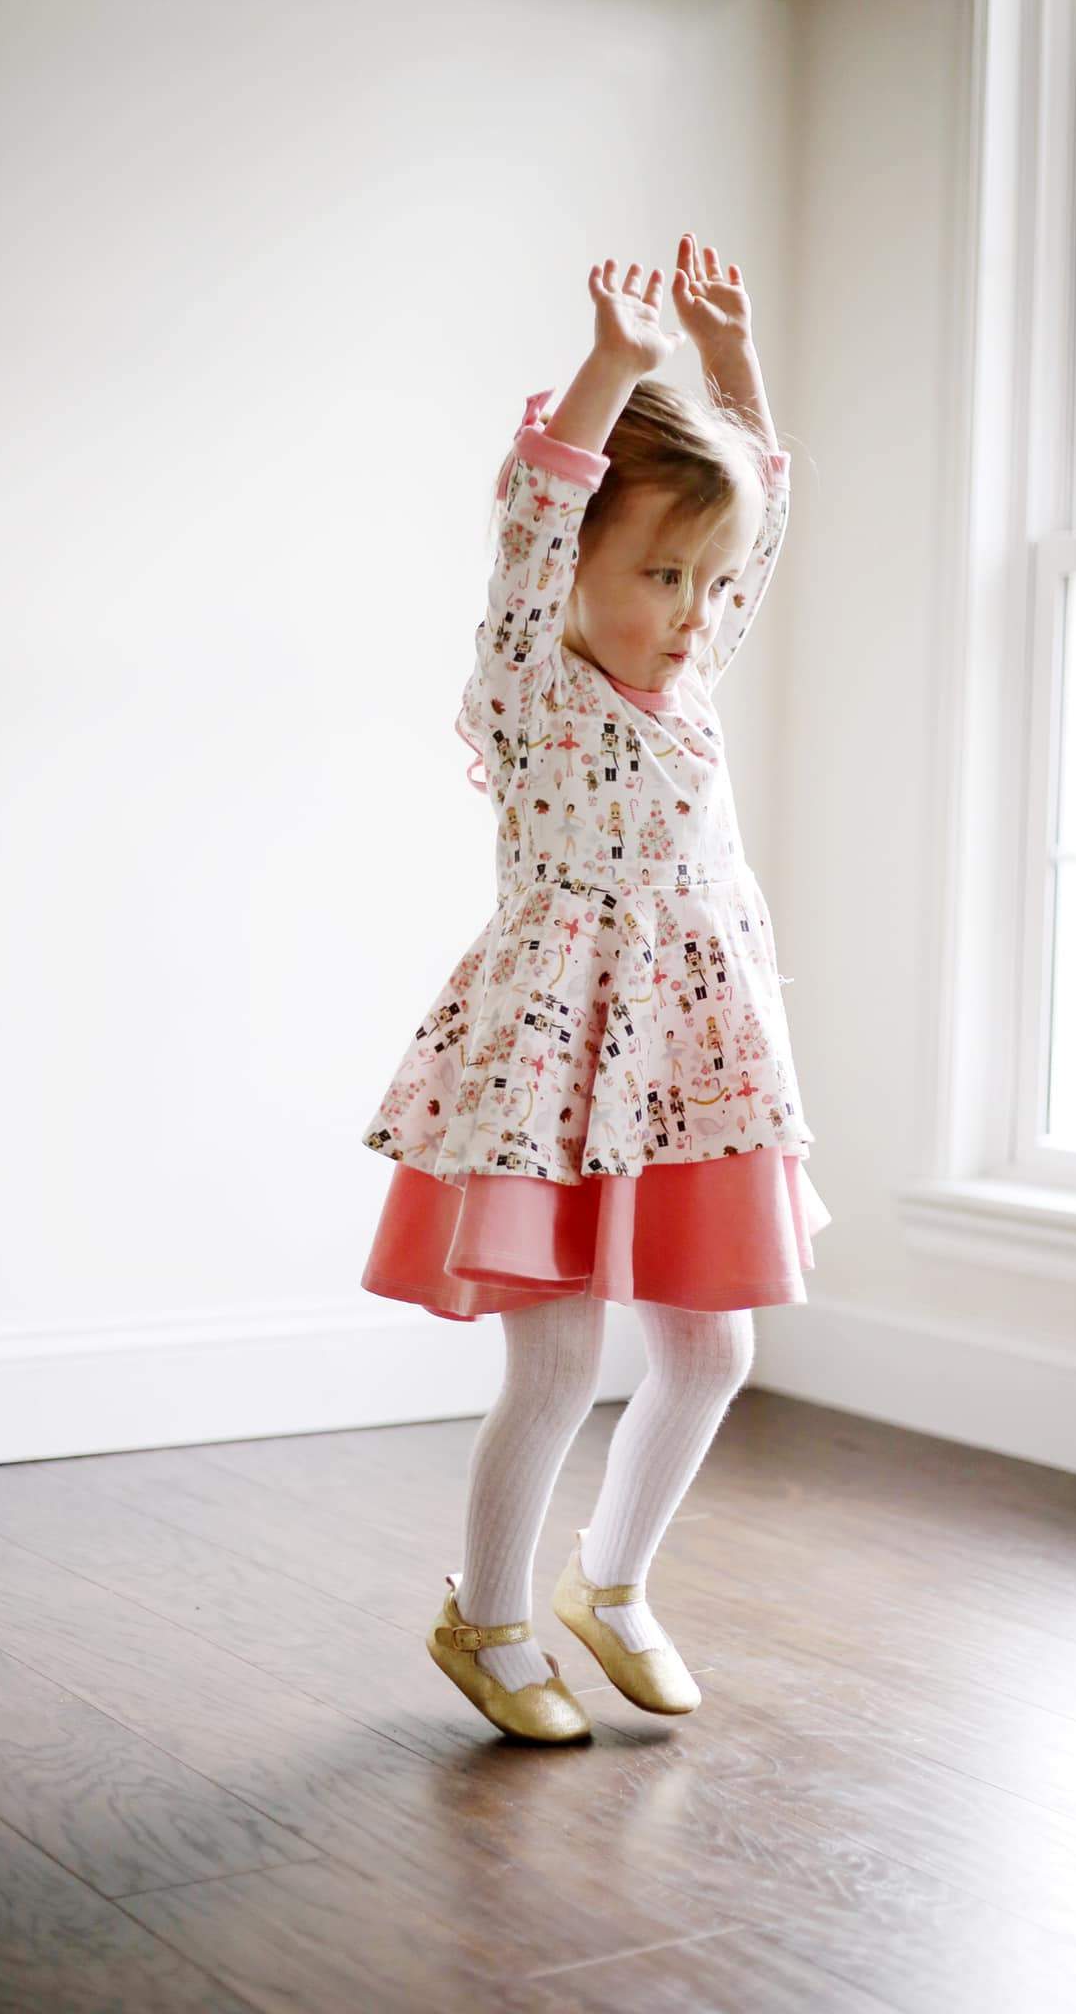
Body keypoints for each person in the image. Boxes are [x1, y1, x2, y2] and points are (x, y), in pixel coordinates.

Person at [360, 233, 831, 1742]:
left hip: (698, 1057)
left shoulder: (690, 678)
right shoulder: (531, 683)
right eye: (662, 575)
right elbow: (529, 521)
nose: (696, 610)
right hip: (557, 1060)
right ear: (575, 567)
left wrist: (735, 365)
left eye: (710, 582)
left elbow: (759, 522)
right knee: (559, 1354)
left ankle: (611, 1580)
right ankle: (487, 1612)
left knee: (715, 1345)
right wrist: (615, 367)